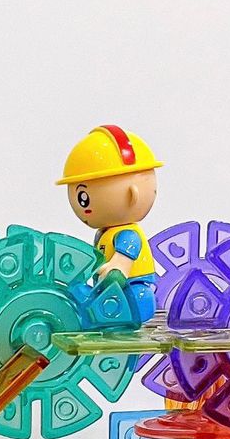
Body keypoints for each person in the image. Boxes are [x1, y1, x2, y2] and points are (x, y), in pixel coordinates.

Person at [58, 124, 162, 323]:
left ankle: (107, 314)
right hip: (109, 290)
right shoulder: (104, 233)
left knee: (138, 299)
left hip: (131, 288)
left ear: (132, 194)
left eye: (83, 199)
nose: (81, 208)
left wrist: (119, 266)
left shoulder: (127, 234)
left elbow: (125, 257)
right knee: (77, 290)